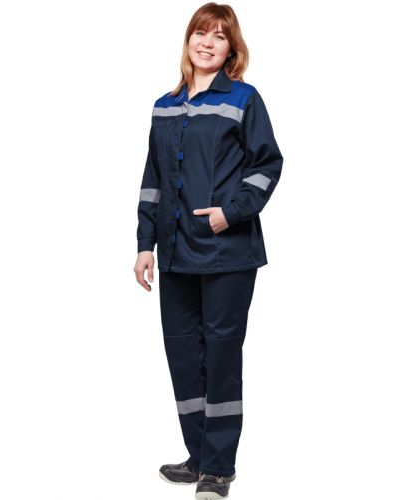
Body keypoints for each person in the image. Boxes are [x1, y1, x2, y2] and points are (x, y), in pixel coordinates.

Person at [134, 3, 283, 499]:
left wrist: (231, 212)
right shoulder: (164, 105)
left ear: (231, 49)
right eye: (201, 32)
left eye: (219, 36)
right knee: (182, 355)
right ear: (188, 40)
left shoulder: (244, 98)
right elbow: (153, 181)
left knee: (220, 357)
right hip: (174, 253)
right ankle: (198, 456)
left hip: (227, 253)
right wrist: (145, 244)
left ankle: (218, 467)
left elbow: (267, 165)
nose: (208, 42)